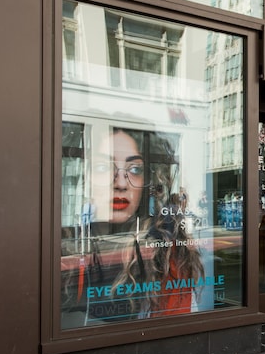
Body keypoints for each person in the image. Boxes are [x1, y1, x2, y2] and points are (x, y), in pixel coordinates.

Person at [63, 126, 205, 325]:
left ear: (147, 181)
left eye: (135, 169)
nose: (121, 183)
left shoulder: (165, 250)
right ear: (86, 176)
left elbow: (173, 325)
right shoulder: (70, 242)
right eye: (104, 167)